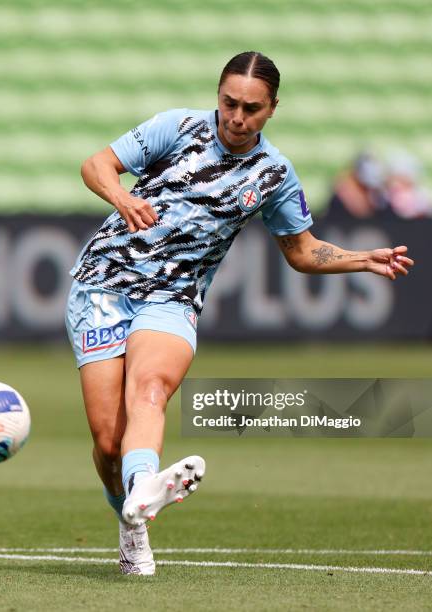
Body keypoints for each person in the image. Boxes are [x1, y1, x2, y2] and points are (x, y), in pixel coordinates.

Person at [65, 51, 413, 575]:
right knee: (108, 441)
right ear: (218, 96)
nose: (236, 117)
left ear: (272, 109)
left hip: (174, 297)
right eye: (229, 103)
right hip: (103, 285)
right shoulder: (176, 127)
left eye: (251, 108)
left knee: (151, 389)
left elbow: (300, 250)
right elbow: (97, 165)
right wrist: (120, 196)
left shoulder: (274, 173)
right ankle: (131, 512)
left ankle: (143, 496)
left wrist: (361, 259)